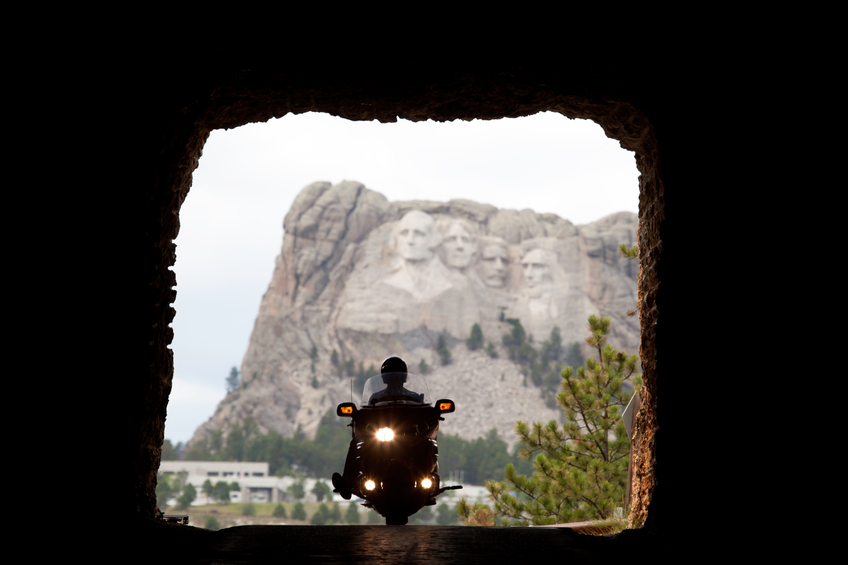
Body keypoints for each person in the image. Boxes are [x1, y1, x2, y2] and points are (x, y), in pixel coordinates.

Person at [332, 356, 418, 499]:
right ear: (385, 378)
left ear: (404, 377)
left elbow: (425, 415)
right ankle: (348, 482)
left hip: (409, 437)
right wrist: (358, 417)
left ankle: (429, 475)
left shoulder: (415, 398)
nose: (394, 379)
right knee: (357, 442)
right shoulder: (375, 398)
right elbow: (366, 416)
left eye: (397, 375)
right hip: (382, 436)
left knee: (427, 442)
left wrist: (434, 413)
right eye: (391, 376)